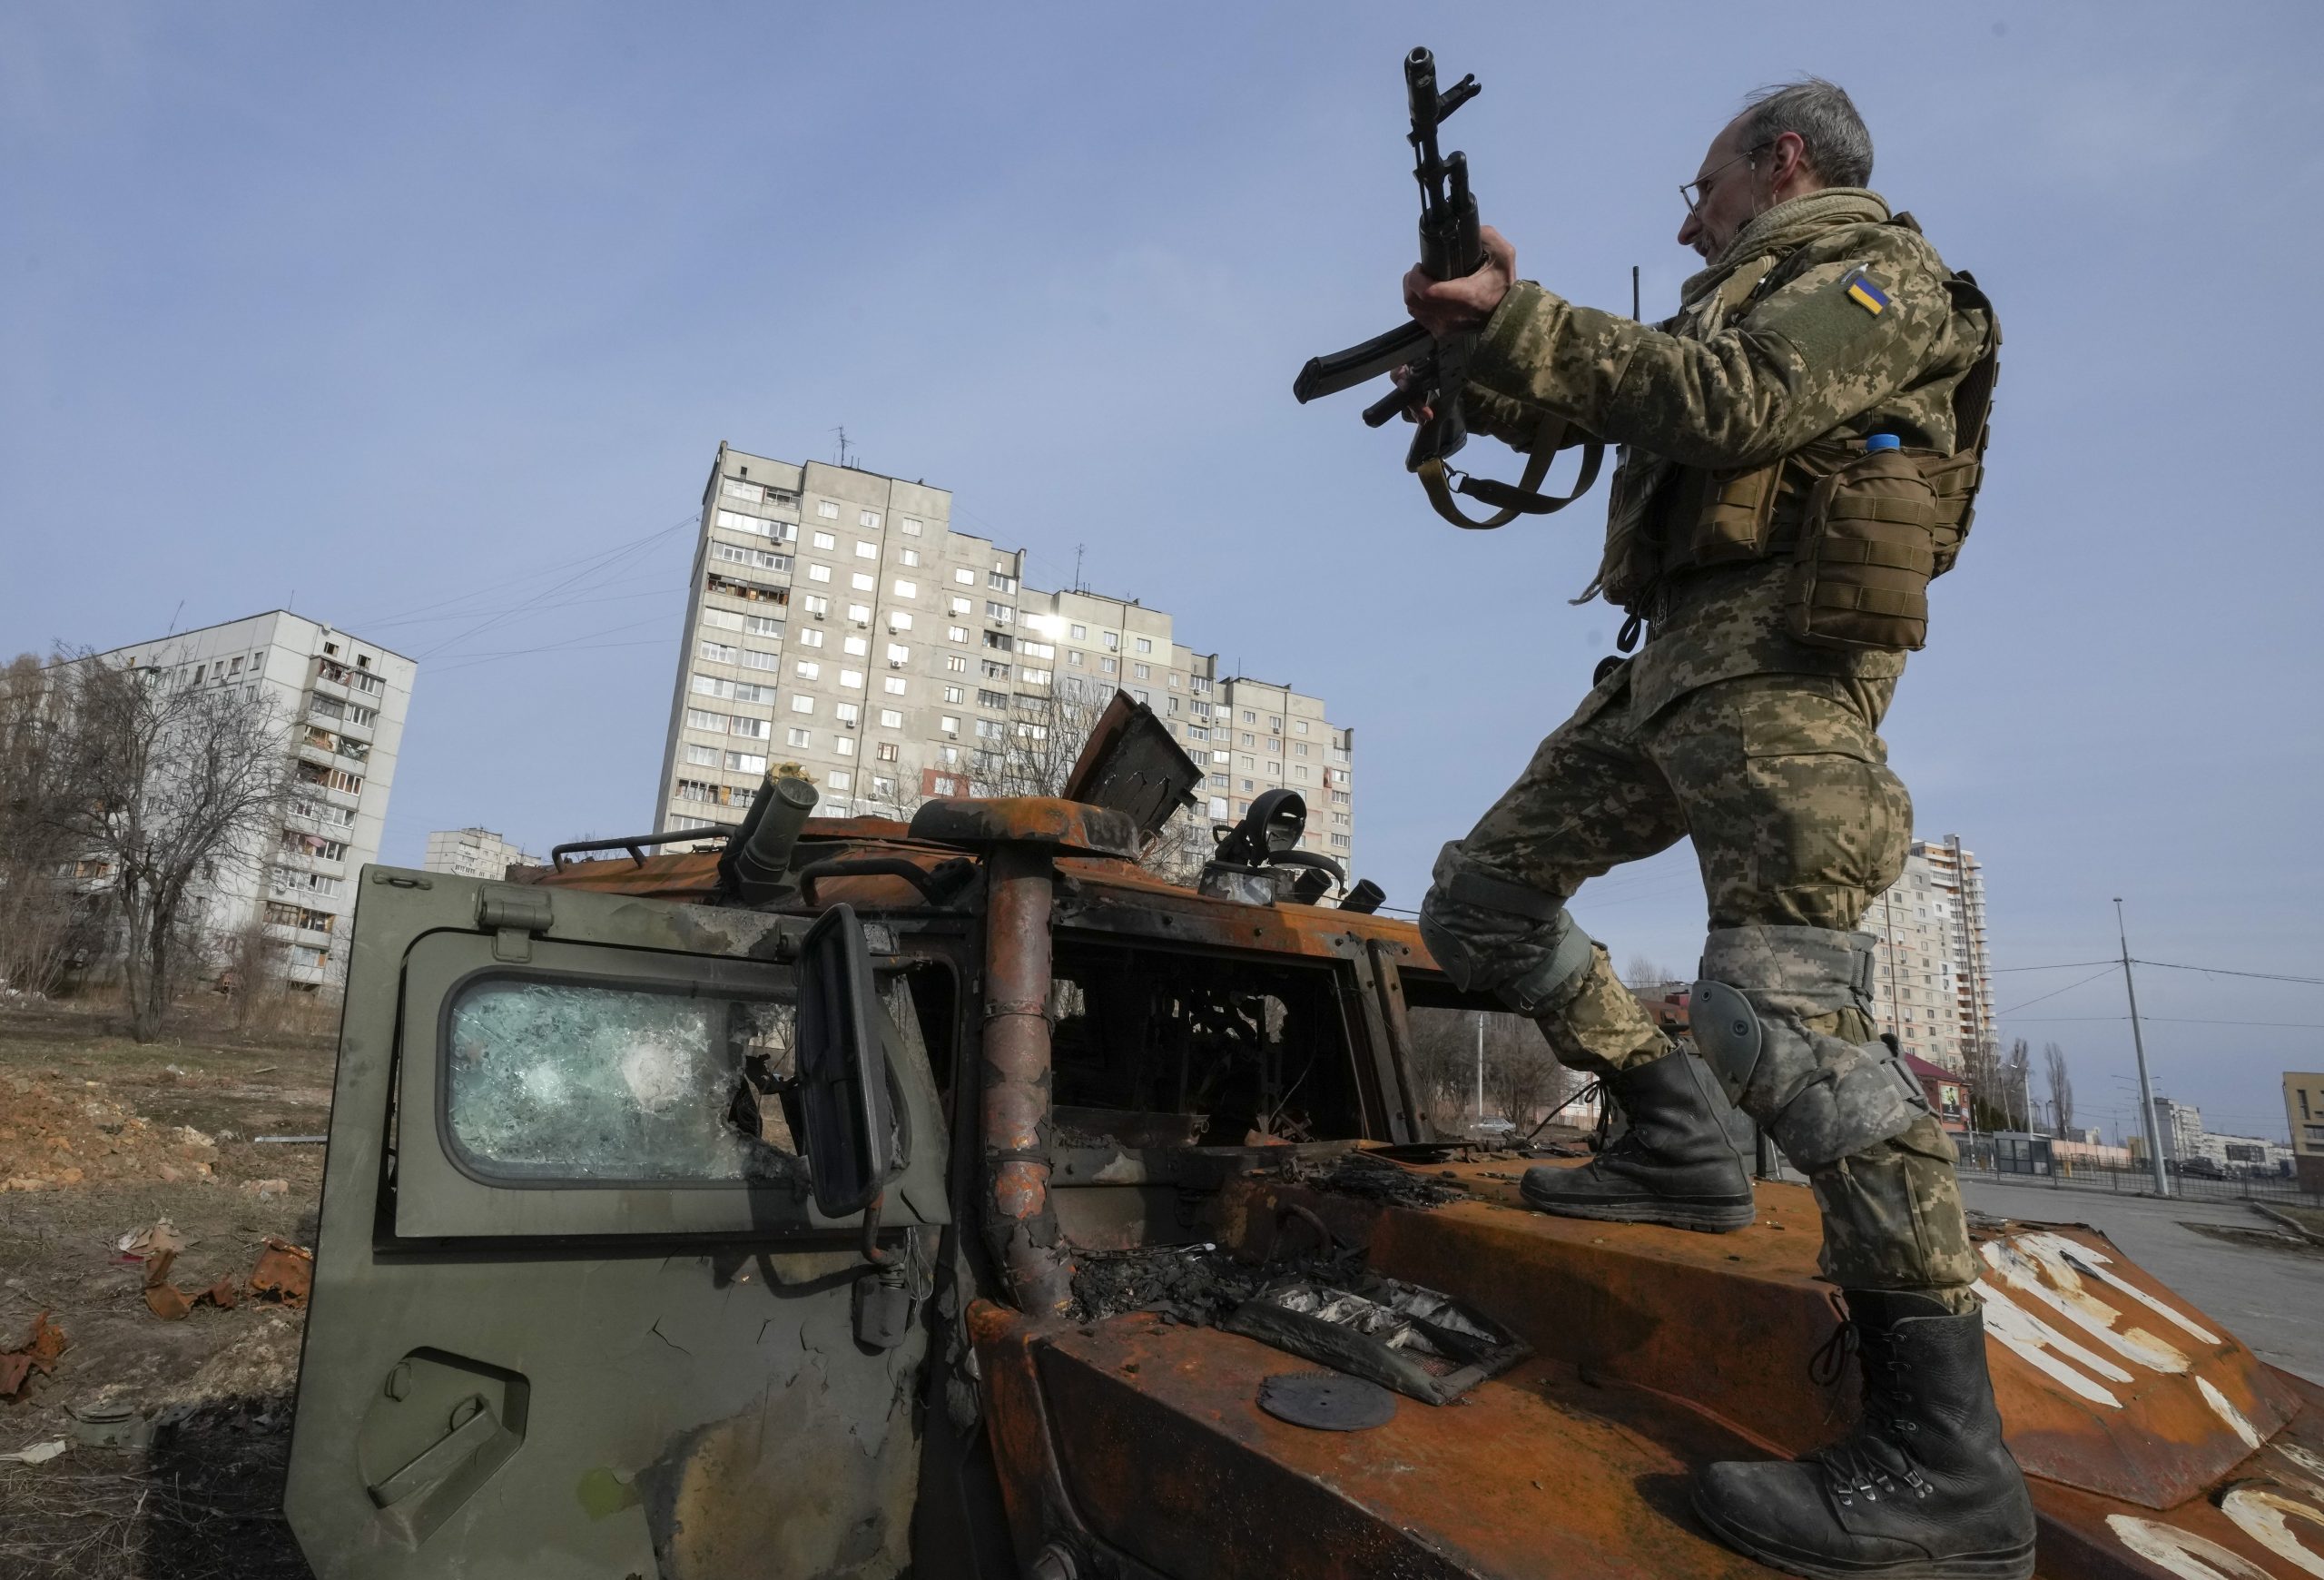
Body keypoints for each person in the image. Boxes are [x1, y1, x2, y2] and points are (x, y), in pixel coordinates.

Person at [1401, 79, 2031, 1580]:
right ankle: (1677, 1135)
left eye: (1702, 190)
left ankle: (1946, 1463)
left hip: (1782, 681)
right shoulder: (1737, 303)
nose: (1688, 222)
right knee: (1480, 906)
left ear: (1781, 161)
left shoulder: (1881, 281)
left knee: (1783, 1020)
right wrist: (1474, 359)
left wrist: (1522, 316)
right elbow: (1611, 401)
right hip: (1671, 676)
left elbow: (1730, 404)